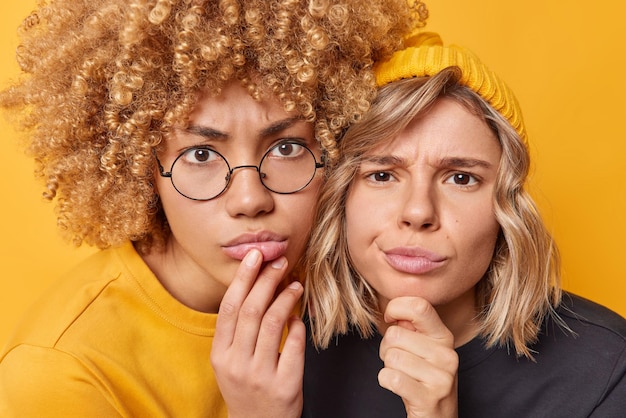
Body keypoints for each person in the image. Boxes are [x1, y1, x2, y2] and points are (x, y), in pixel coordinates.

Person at [0, 0, 424, 416]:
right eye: (200, 155)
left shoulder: (352, 282)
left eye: (287, 147)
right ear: (144, 166)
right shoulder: (60, 371)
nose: (250, 199)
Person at [302, 32, 626, 417]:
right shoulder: (280, 347)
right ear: (342, 195)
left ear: (506, 208)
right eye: (383, 175)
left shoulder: (605, 366)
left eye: (460, 178)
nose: (419, 212)